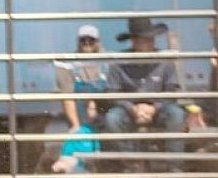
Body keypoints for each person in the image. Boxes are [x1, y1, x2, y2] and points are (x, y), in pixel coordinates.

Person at [103, 17, 186, 173]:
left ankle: (175, 166)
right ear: (134, 41)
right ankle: (133, 164)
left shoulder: (165, 61)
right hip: (129, 110)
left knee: (176, 114)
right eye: (146, 39)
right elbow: (112, 92)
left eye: (152, 38)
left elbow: (171, 90)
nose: (151, 42)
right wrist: (132, 108)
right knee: (112, 118)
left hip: (159, 109)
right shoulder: (118, 62)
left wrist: (154, 108)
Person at [44, 24, 108, 173]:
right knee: (71, 142)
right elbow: (68, 97)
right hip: (80, 120)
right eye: (83, 40)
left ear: (98, 42)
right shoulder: (70, 65)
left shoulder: (107, 63)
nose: (87, 44)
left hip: (102, 118)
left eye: (91, 40)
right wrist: (75, 125)